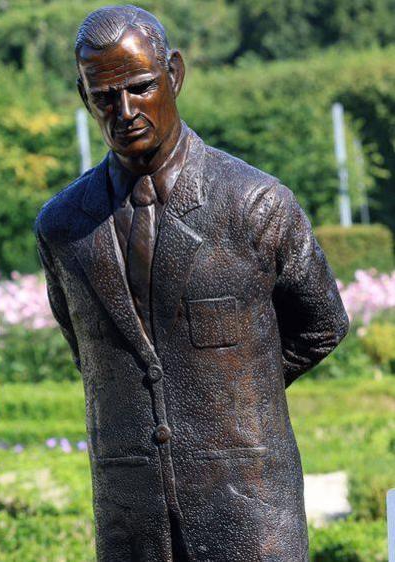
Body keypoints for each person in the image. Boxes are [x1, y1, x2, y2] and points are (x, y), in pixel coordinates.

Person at [35, 5, 349, 560]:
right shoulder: (64, 227)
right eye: (104, 96)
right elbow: (88, 351)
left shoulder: (254, 203)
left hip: (249, 508)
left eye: (140, 87)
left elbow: (323, 323)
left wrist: (234, 390)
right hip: (130, 516)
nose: (125, 111)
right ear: (84, 97)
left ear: (174, 75)